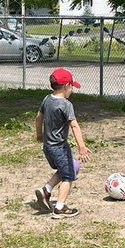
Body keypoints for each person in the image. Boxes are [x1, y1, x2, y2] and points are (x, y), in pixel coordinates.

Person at [33, 68, 91, 219]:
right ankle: (60, 208)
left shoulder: (47, 99)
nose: (72, 90)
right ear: (66, 86)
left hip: (48, 148)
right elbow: (74, 126)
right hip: (60, 148)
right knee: (68, 176)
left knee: (64, 169)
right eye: (72, 87)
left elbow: (38, 118)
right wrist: (82, 147)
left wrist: (39, 134)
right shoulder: (66, 105)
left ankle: (46, 190)